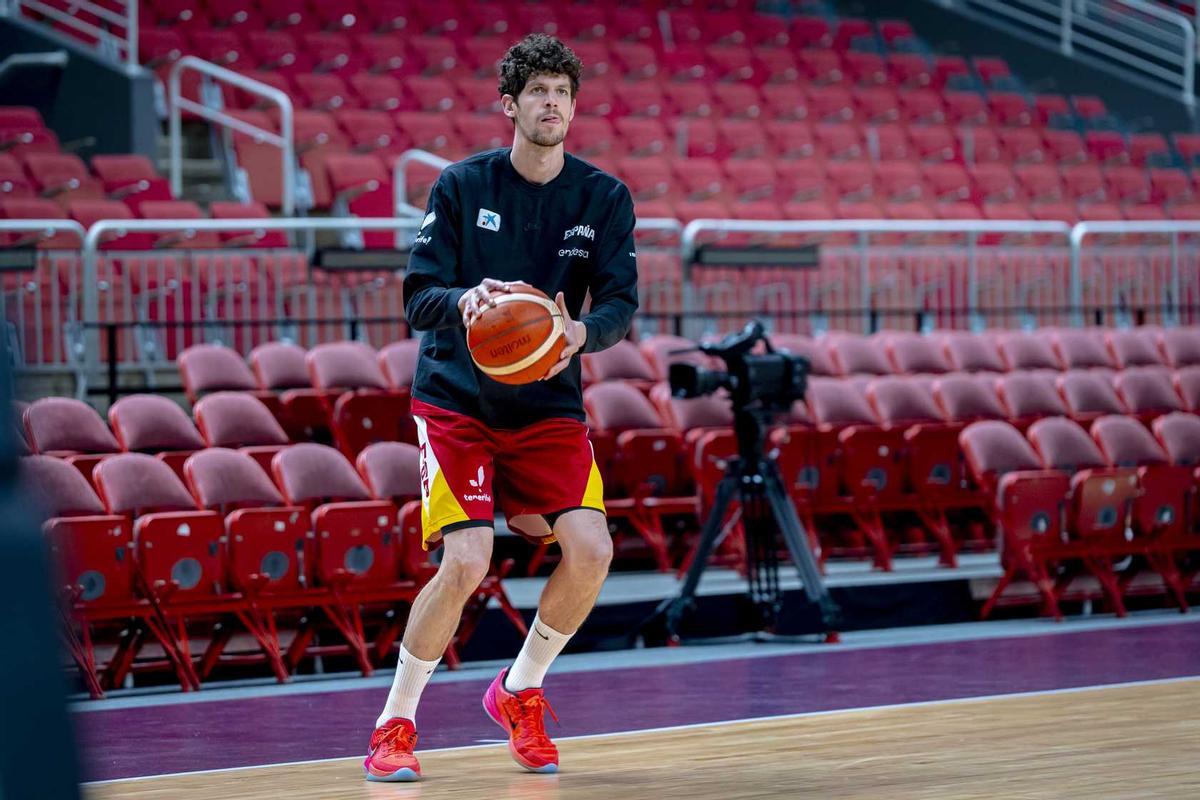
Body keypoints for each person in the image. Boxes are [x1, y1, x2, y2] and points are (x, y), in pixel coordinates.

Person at [363, 33, 639, 782]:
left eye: (563, 93)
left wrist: (581, 332)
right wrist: (464, 300)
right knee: (467, 560)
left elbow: (619, 304)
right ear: (511, 105)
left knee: (593, 549)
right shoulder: (461, 186)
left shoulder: (604, 198)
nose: (553, 104)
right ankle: (394, 724)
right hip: (457, 401)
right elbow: (418, 297)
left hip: (547, 402)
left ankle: (520, 689)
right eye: (539, 92)